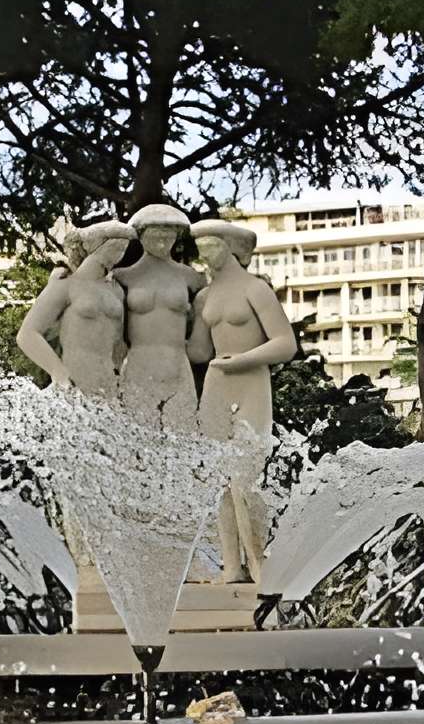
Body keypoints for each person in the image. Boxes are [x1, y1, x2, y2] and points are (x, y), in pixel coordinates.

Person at [191, 221, 297, 585]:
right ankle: (232, 567)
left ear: (229, 246)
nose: (204, 253)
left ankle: (260, 566)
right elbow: (199, 350)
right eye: (199, 246)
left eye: (211, 245)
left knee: (245, 479)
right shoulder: (204, 297)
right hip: (217, 382)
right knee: (219, 481)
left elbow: (285, 343)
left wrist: (244, 359)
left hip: (249, 380)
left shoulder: (256, 289)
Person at [15, 220, 134, 398]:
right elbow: (27, 334)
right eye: (117, 244)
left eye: (124, 245)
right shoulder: (65, 284)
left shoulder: (115, 289)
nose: (122, 250)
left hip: (109, 386)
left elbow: (118, 339)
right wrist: (59, 373)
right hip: (74, 384)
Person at [116, 205, 203, 431]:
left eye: (168, 235)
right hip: (138, 365)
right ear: (141, 235)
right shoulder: (123, 276)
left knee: (183, 440)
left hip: (177, 364)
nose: (163, 242)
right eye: (156, 235)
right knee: (138, 440)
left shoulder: (190, 277)